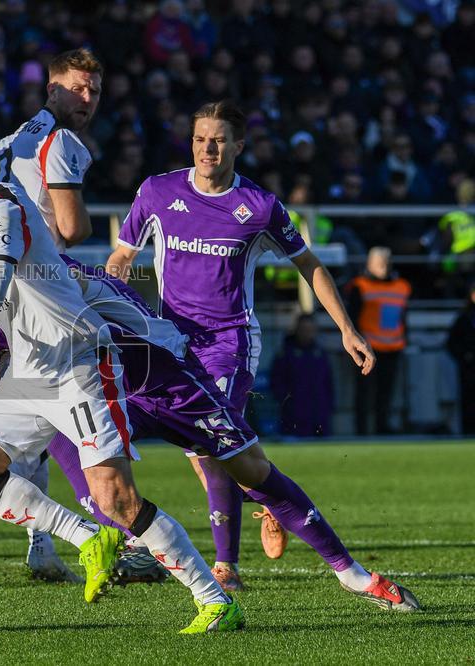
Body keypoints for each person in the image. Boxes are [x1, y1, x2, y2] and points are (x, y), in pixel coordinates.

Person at [0, 114, 244, 633]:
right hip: (29, 368)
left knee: (117, 499)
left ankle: (216, 600)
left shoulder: (1, 209)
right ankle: (88, 539)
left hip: (78, 362)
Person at [105, 100, 377, 591]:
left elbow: (309, 265)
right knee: (181, 444)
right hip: (170, 346)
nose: (208, 148)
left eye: (219, 139)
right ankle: (268, 498)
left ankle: (226, 567)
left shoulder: (259, 206)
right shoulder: (158, 192)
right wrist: (111, 303)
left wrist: (347, 328)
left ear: (238, 146)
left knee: (212, 446)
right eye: (200, 139)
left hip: (230, 342)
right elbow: (121, 258)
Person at [0, 48, 165, 586]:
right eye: (76, 88)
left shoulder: (6, 142)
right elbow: (69, 229)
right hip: (39, 297)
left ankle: (20, 539)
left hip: (3, 298)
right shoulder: (60, 143)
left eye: (94, 90)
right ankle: (114, 535)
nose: (86, 99)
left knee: (28, 430)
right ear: (52, 87)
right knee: (63, 423)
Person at [345, 247, 411, 436]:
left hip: (393, 347)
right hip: (368, 349)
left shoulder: (402, 286)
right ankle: (362, 432)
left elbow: (404, 317)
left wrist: (406, 338)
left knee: (386, 394)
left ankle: (382, 430)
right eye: (380, 261)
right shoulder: (360, 285)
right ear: (369, 264)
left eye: (387, 261)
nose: (384, 265)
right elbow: (353, 318)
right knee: (364, 394)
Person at [270, 314, 334, 438]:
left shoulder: (320, 354)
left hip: (319, 415)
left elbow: (328, 382)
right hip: (293, 415)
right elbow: (276, 382)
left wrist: (329, 406)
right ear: (297, 330)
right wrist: (287, 403)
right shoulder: (285, 354)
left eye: (310, 330)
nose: (307, 333)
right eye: (304, 330)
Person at [447, 281, 475, 435]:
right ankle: (469, 432)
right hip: (470, 368)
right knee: (469, 401)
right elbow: (452, 343)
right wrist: (465, 357)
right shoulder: (464, 318)